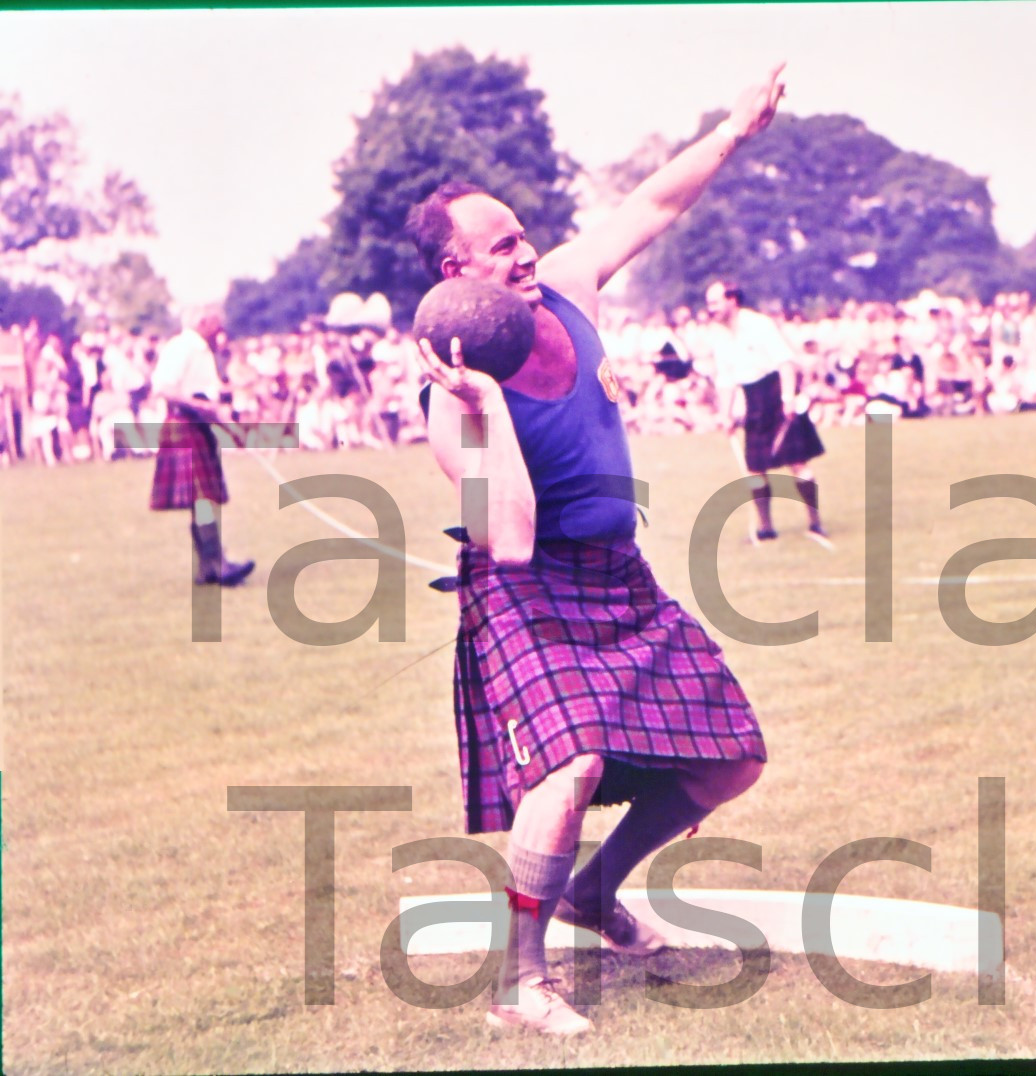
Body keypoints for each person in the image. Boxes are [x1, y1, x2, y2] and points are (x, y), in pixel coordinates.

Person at [406, 64, 785, 1038]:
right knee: (568, 766)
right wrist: (488, 410)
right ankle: (519, 981)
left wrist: (732, 130)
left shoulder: (568, 287)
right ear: (459, 272)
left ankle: (593, 889)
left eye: (523, 233)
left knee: (731, 758)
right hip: (528, 591)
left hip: (622, 578)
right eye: (502, 245)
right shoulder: (448, 408)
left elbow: (652, 202)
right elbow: (517, 537)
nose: (527, 250)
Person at [704, 280, 829, 544]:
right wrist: (725, 414)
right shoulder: (717, 334)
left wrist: (788, 398)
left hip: (776, 392)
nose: (710, 309)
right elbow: (726, 379)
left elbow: (784, 361)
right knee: (754, 469)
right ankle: (765, 527)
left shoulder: (758, 324)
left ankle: (815, 522)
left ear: (731, 300)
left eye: (714, 302)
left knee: (799, 464)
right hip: (753, 400)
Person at [148, 310, 254, 586]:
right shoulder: (183, 347)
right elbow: (163, 388)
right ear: (202, 322)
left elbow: (207, 395)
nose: (221, 325)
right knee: (203, 500)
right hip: (184, 424)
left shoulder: (202, 350)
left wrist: (222, 419)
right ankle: (216, 563)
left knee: (202, 501)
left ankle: (208, 567)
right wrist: (203, 407)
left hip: (198, 425)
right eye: (216, 320)